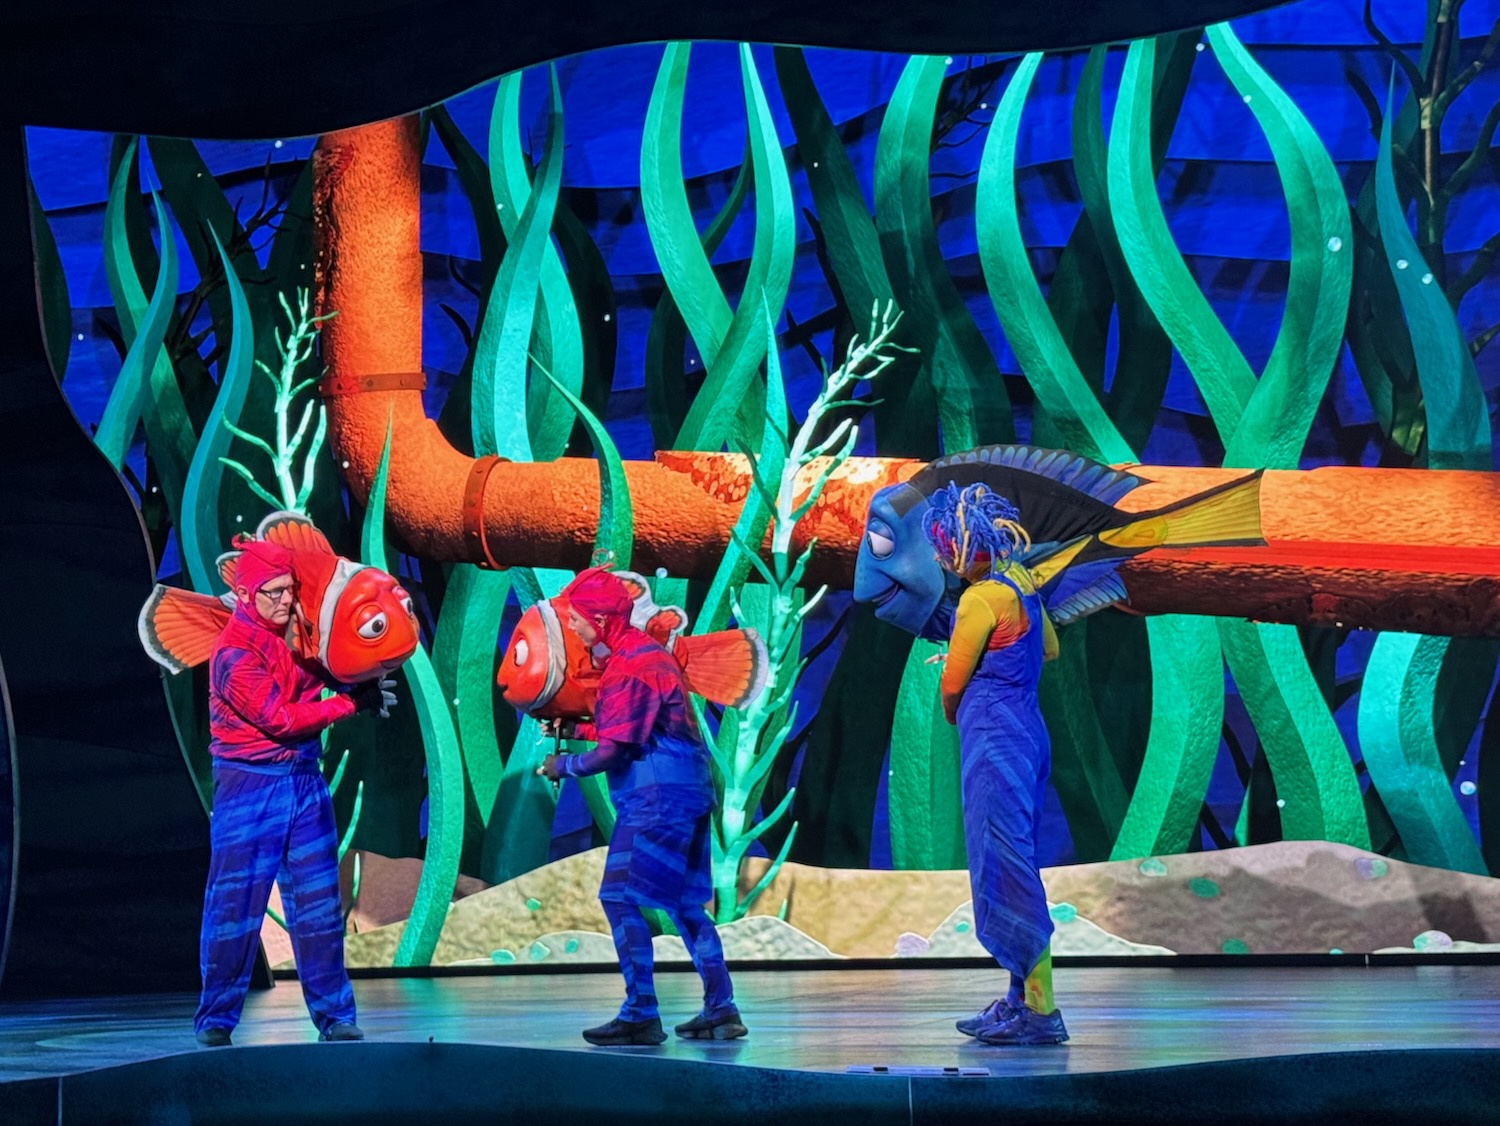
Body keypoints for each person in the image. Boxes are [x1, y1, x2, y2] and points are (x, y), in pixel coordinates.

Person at [194, 538, 393, 1047]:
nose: (286, 600)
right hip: (250, 789)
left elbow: (333, 664)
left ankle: (335, 1016)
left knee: (319, 907)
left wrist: (366, 672)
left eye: (289, 590)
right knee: (236, 907)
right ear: (246, 594)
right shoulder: (233, 654)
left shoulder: (295, 638)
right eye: (274, 592)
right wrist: (351, 704)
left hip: (304, 783)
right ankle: (216, 1019)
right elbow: (280, 720)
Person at [538, 567, 745, 1046]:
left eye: (577, 618)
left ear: (600, 619)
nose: (573, 626)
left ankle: (640, 1013)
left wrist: (562, 766)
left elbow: (614, 751)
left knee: (619, 897)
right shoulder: (644, 655)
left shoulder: (628, 667)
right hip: (689, 794)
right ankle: (722, 1009)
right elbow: (633, 725)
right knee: (685, 904)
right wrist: (574, 729)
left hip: (657, 801)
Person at [925, 482, 1069, 1046]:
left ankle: (1041, 1010)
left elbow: (951, 686)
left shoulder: (979, 600)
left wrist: (955, 698)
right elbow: (1049, 649)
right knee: (1013, 857)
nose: (942, 558)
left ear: (962, 549)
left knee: (1004, 868)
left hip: (993, 737)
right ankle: (1018, 1000)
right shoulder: (1021, 585)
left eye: (945, 548)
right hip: (1027, 730)